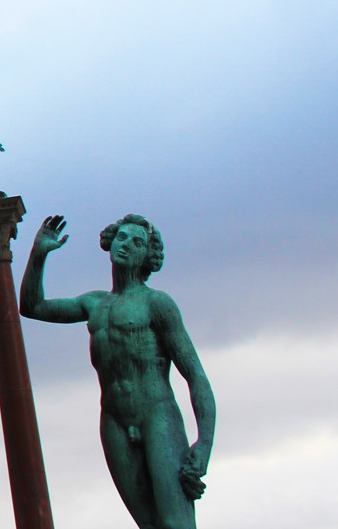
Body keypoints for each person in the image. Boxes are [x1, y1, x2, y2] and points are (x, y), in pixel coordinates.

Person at [20, 213, 216, 528]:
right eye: (122, 237)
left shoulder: (157, 304)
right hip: (113, 420)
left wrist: (204, 443)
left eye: (137, 242)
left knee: (175, 522)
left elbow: (196, 377)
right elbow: (33, 307)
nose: (126, 245)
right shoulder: (94, 304)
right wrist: (38, 255)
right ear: (111, 242)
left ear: (147, 256)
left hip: (157, 415)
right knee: (148, 524)